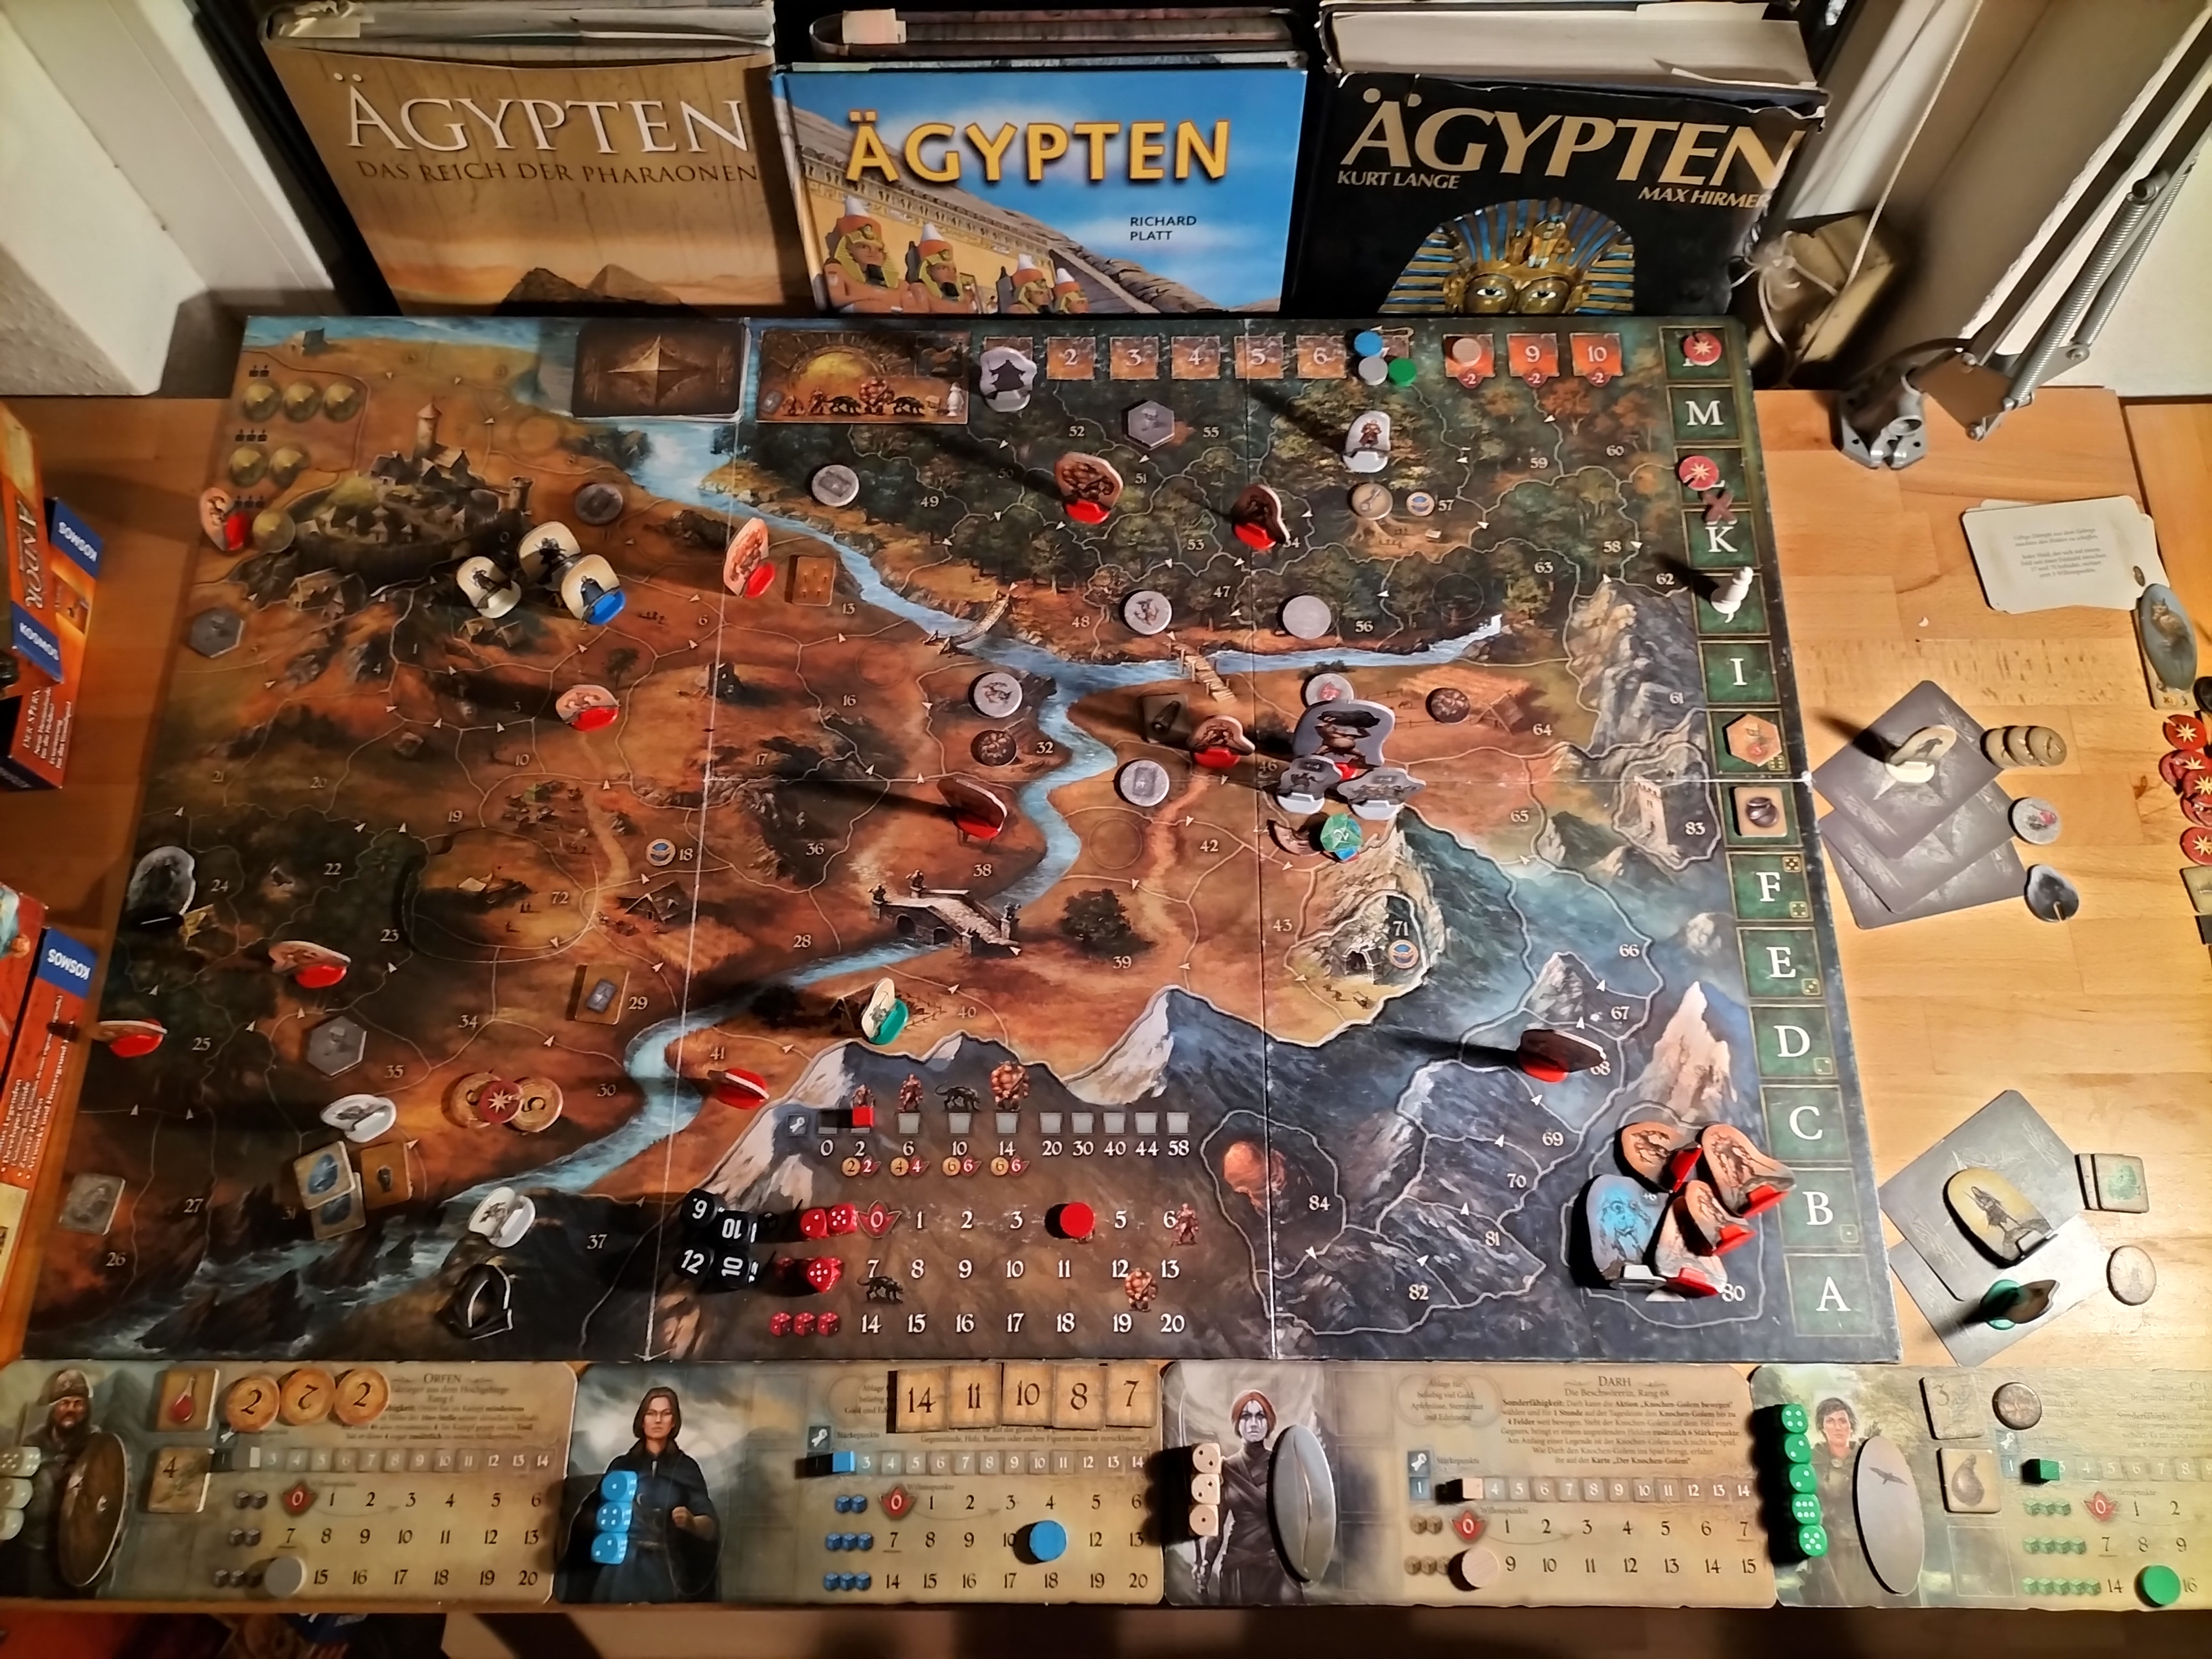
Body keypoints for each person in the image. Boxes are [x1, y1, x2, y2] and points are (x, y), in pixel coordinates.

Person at [582, 1386, 719, 1601]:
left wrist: (692, 1522)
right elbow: (589, 1515)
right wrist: (606, 1520)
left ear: (674, 1422)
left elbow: (710, 1526)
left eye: (666, 1414)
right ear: (642, 1420)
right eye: (652, 1413)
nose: (658, 1420)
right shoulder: (622, 1466)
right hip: (620, 1569)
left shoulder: (686, 1468)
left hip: (665, 1569)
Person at [1196, 1390, 1302, 1604]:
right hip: (1237, 1563)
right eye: (1246, 1416)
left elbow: (1295, 1522)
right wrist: (1207, 1563)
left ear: (1269, 1422)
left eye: (1260, 1416)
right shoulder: (1226, 1468)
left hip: (1276, 1563)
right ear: (1237, 1423)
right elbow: (1217, 1527)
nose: (1253, 1423)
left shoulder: (1283, 1464)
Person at [0, 1370, 93, 1597]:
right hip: (31, 1543)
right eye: (64, 1403)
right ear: (54, 1408)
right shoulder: (33, 1443)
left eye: (78, 1403)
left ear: (87, 1408)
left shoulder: (97, 1446)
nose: (70, 1410)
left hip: (72, 1547)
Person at [1796, 1395, 1881, 1604]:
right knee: (1833, 1602)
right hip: (1831, 1546)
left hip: (1866, 1543)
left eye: (1843, 1421)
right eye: (1830, 1421)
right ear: (1822, 1427)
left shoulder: (1867, 1456)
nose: (1838, 1427)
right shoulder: (1812, 1460)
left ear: (1851, 1425)